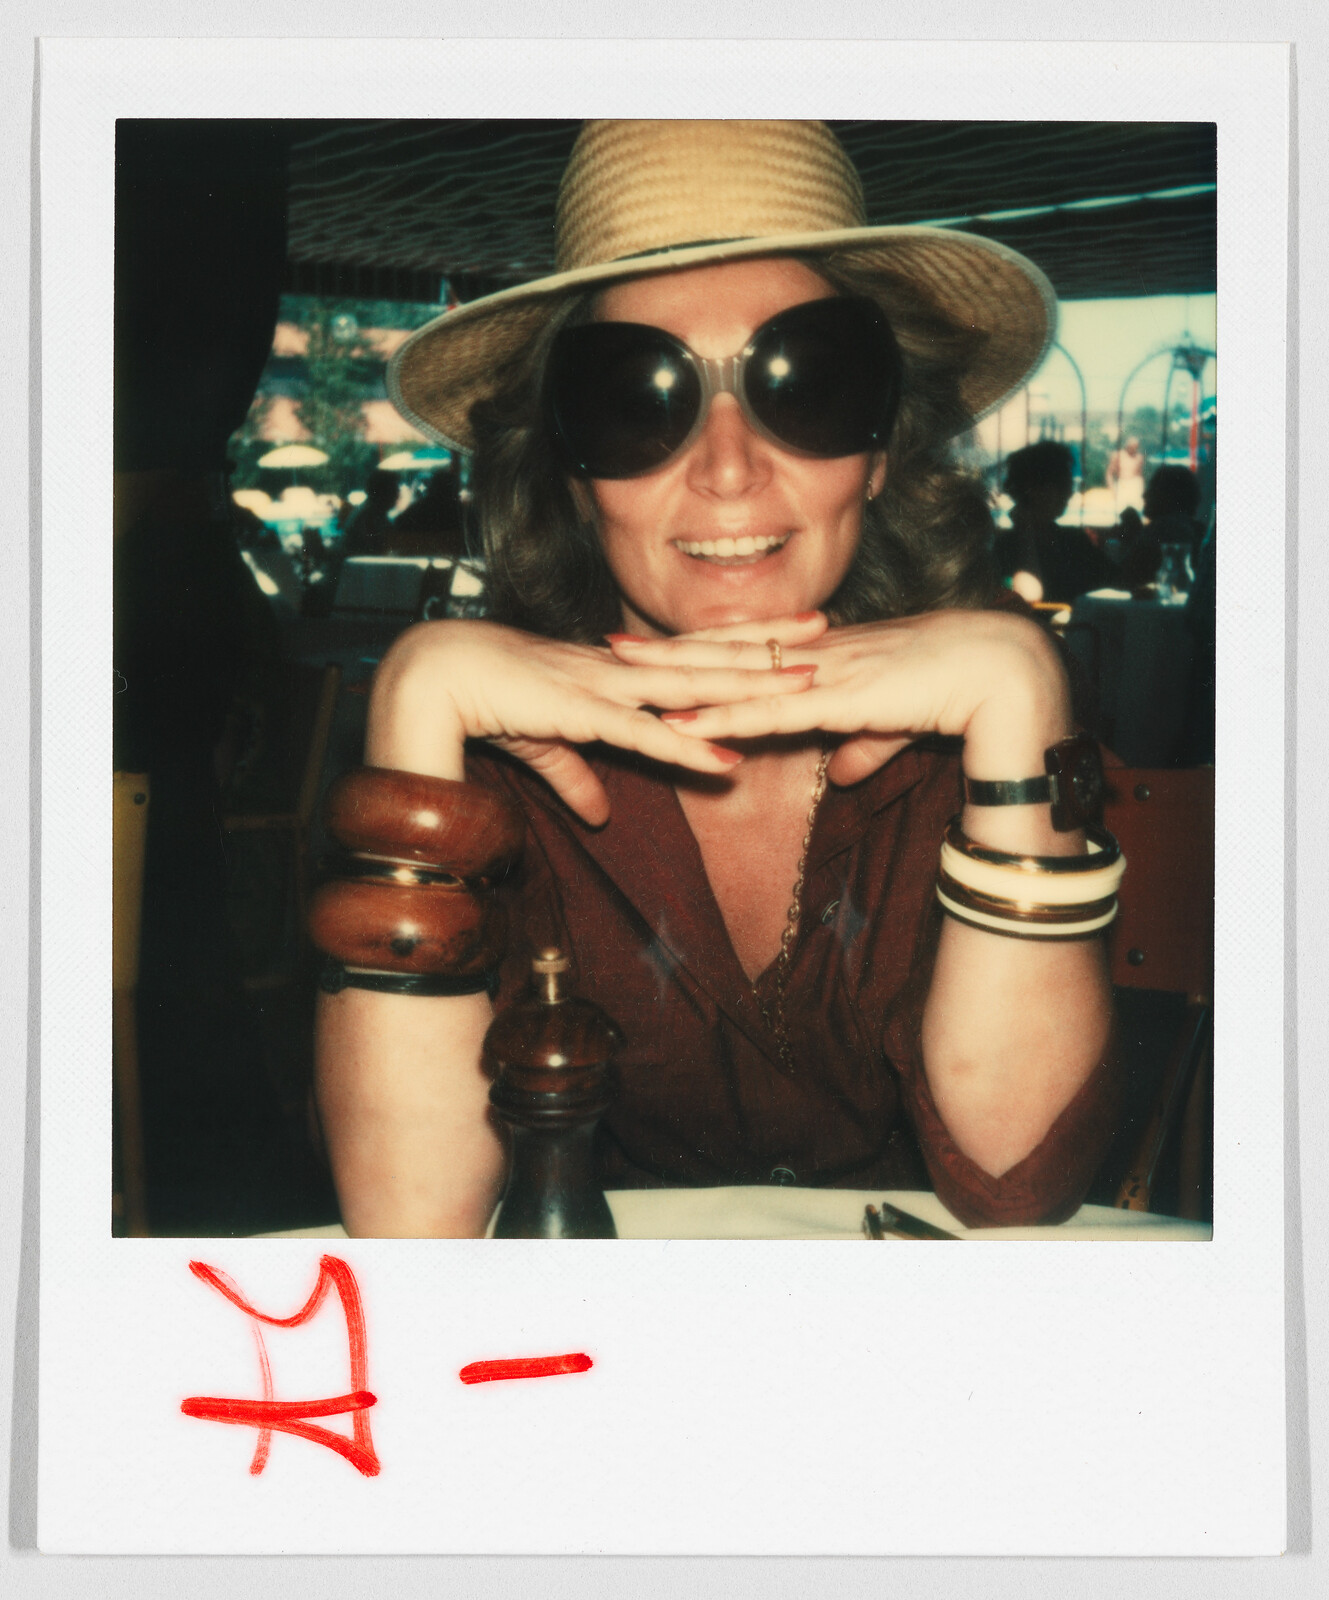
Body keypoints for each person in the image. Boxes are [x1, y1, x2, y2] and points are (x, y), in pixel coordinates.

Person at [317, 119, 1120, 1238]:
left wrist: (1023, 691)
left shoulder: (975, 738)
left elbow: (1015, 1186)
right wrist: (416, 702)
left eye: (812, 384)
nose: (730, 468)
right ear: (569, 464)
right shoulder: (498, 770)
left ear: (882, 445)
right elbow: (414, 1229)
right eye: (636, 397)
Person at [994, 440, 1110, 605]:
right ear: (1034, 488)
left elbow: (1118, 581)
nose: (1070, 492)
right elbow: (1027, 599)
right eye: (1062, 484)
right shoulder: (1006, 547)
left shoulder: (1075, 539)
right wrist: (1025, 533)